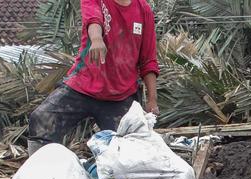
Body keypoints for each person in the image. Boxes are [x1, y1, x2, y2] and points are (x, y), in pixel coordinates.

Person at [27, 0, 160, 151]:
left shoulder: (143, 10)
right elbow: (93, 19)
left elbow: (148, 60)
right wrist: (96, 39)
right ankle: (41, 170)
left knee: (127, 149)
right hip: (82, 86)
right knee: (41, 118)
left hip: (120, 96)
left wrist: (152, 100)